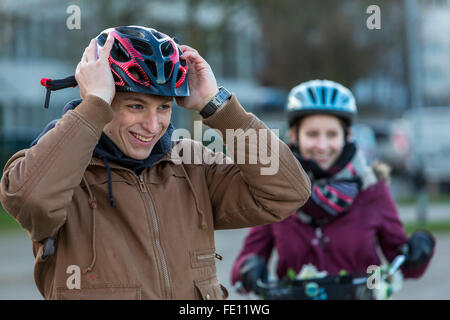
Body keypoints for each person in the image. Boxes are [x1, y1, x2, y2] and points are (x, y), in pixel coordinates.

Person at [0, 26, 311, 300]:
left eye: (163, 107)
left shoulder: (191, 164)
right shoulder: (60, 168)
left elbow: (287, 191)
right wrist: (92, 106)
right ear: (102, 97)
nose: (153, 125)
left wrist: (217, 105)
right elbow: (30, 200)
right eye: (136, 106)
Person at [230, 80, 435, 299]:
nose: (322, 145)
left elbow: (405, 266)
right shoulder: (275, 191)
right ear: (294, 135)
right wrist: (248, 268)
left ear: (346, 136)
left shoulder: (373, 190)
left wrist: (419, 249)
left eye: (331, 134)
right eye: (312, 134)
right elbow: (240, 270)